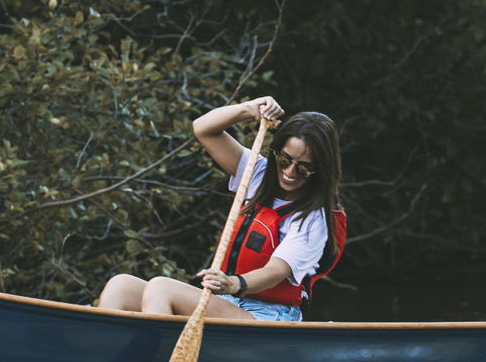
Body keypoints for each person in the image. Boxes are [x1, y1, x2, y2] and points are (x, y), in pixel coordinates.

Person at [98, 96, 346, 322]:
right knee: (121, 285)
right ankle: (106, 359)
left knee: (162, 287)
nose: (290, 172)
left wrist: (234, 283)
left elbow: (276, 270)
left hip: (268, 316)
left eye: (303, 168)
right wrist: (249, 109)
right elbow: (204, 129)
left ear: (320, 170)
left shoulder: (314, 219)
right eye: (284, 159)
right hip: (229, 303)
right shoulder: (258, 173)